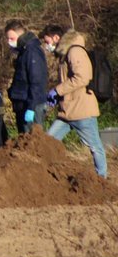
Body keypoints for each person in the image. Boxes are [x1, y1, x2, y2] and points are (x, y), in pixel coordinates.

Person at [47, 31, 108, 178]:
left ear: (56, 37)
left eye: (47, 40)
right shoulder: (67, 53)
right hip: (67, 111)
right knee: (47, 142)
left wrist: (57, 90)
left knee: (95, 147)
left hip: (82, 110)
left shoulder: (75, 51)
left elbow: (82, 77)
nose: (47, 44)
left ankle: (102, 179)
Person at [5, 20, 48, 134]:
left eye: (12, 39)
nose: (9, 42)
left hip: (30, 103)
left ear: (20, 35)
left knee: (31, 140)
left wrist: (31, 106)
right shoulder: (23, 51)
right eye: (8, 39)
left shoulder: (32, 52)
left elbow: (37, 81)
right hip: (22, 102)